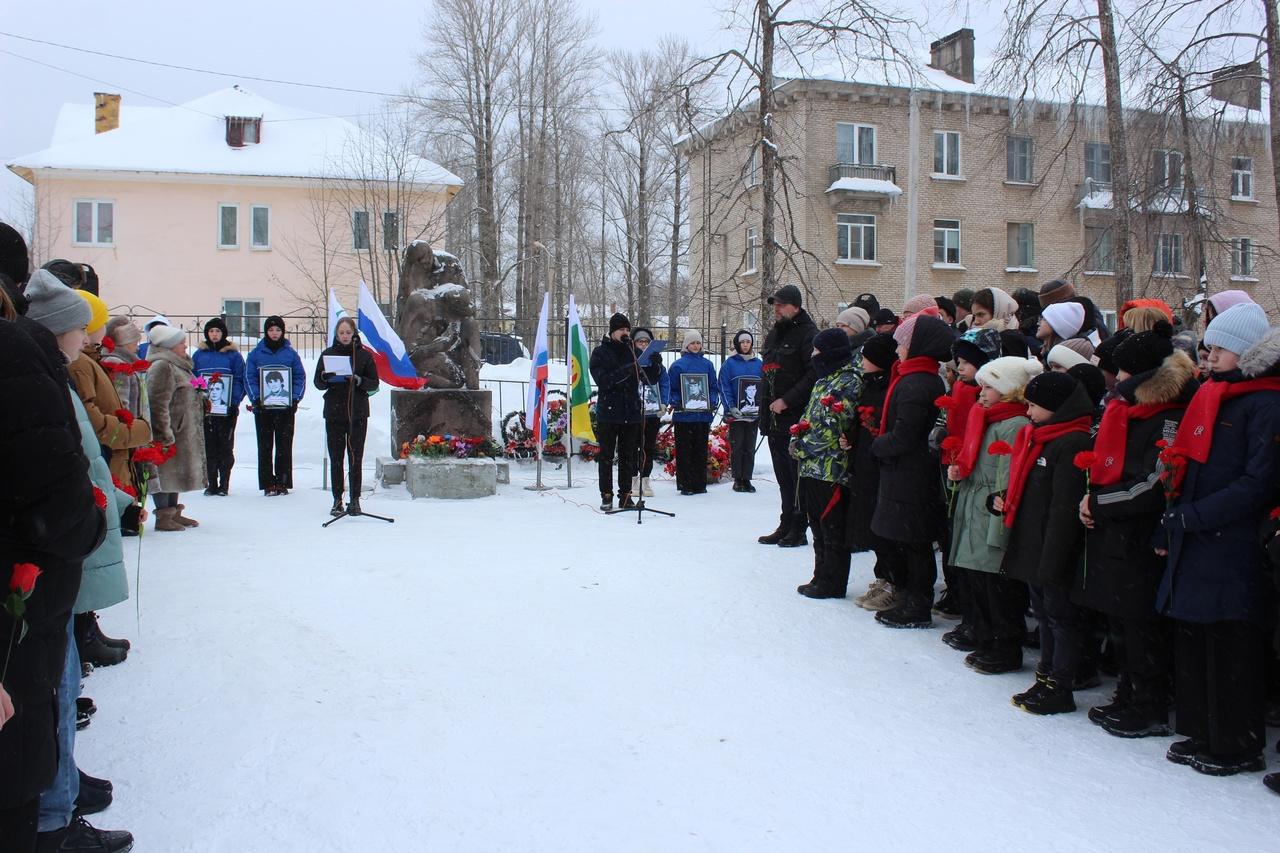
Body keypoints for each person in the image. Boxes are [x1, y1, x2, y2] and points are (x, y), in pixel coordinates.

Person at [1, 270, 122, 853]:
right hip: (36, 573)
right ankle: (53, 810)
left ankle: (59, 792)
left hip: (48, 570)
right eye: (83, 328)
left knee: (51, 693)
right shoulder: (28, 362)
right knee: (38, 705)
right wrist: (90, 519)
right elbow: (58, 461)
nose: (91, 337)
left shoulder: (44, 363)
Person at [1155, 302, 1280, 777]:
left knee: (1230, 642)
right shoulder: (1213, 396)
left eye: (1219, 350)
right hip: (1197, 534)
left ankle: (1236, 742)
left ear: (1247, 353)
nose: (1206, 358)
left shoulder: (1265, 403)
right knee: (1196, 635)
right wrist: (1173, 516)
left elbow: (1258, 481)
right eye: (1206, 349)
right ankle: (1203, 728)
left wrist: (1196, 516)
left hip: (1233, 541)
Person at [1076, 323, 1197, 738]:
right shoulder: (1125, 409)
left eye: (1125, 374)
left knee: (1141, 622)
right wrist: (1092, 498)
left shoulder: (1168, 414)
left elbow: (1157, 480)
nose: (1118, 380)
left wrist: (1101, 503)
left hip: (1143, 531)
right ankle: (1128, 690)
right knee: (1120, 619)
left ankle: (1148, 703)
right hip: (1115, 527)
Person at [997, 372, 1094, 714]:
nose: (1028, 412)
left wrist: (1053, 557)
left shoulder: (1072, 442)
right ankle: (1046, 676)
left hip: (1053, 548)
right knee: (1044, 613)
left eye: (1035, 406)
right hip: (1035, 542)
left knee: (1060, 617)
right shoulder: (1041, 436)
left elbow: (1063, 507)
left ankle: (1060, 683)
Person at [64, 290, 149, 668]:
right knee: (92, 549)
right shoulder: (82, 364)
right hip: (103, 457)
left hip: (108, 460)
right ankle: (82, 631)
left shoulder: (90, 360)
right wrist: (135, 433)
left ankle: (87, 626)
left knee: (99, 545)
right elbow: (94, 420)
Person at [949, 356, 1039, 674]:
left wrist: (998, 523)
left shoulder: (1014, 425)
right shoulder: (988, 418)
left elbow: (1006, 478)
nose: (981, 392)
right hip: (975, 507)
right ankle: (985, 637)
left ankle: (1005, 645)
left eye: (989, 386)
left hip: (990, 514)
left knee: (997, 588)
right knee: (978, 581)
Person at [870, 314, 952, 627]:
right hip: (904, 473)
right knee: (905, 540)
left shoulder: (919, 383)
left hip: (911, 475)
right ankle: (910, 596)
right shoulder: (914, 378)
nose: (897, 350)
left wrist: (878, 446)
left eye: (902, 343)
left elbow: (906, 434)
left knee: (914, 541)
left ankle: (917, 604)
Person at [935, 328, 1003, 634]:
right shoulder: (961, 388)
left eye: (966, 362)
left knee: (965, 538)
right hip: (953, 465)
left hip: (973, 472)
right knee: (953, 533)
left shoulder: (983, 397)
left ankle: (970, 606)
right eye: (958, 361)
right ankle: (959, 594)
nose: (959, 367)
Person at [792, 329, 861, 598]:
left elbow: (836, 424)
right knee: (818, 526)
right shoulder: (824, 380)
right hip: (811, 466)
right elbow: (812, 417)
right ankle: (820, 574)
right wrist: (798, 437)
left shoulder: (847, 382)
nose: (812, 356)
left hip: (832, 468)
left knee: (832, 527)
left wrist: (806, 446)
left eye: (817, 351)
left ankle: (833, 581)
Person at [845, 334, 902, 611]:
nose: (861, 361)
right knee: (872, 523)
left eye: (866, 357)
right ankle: (883, 577)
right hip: (865, 462)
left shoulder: (890, 388)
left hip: (882, 465)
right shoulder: (868, 385)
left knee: (885, 526)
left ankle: (894, 581)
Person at [758, 284, 818, 546]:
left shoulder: (808, 334)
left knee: (796, 476)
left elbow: (813, 375)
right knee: (783, 475)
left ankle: (798, 526)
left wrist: (787, 399)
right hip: (773, 416)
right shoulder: (774, 334)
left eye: (781, 304)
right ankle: (786, 522)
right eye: (775, 304)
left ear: (796, 306)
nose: (777, 308)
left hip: (795, 416)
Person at [315, 317, 380, 516]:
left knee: (355, 457)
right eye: (341, 333)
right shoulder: (328, 354)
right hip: (334, 412)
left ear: (354, 334)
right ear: (336, 335)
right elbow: (318, 383)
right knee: (336, 457)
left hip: (357, 412)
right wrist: (325, 377)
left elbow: (374, 383)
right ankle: (337, 499)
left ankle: (355, 500)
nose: (344, 336)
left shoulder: (364, 356)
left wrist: (359, 380)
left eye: (348, 333)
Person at [146, 324, 208, 530]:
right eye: (181, 342)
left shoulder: (179, 365)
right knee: (166, 472)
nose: (185, 345)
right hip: (170, 431)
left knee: (176, 471)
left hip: (181, 431)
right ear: (169, 345)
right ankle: (163, 516)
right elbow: (157, 403)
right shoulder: (162, 366)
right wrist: (163, 435)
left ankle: (174, 512)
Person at [245, 316, 306, 496]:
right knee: (264, 446)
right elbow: (249, 377)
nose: (274, 333)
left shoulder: (290, 354)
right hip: (263, 409)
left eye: (278, 330)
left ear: (282, 332)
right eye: (271, 330)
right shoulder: (256, 354)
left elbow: (299, 377)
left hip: (285, 408)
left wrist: (294, 398)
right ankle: (267, 483)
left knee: (284, 445)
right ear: (266, 332)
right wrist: (256, 398)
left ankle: (283, 481)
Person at [589, 313, 642, 510]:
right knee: (607, 455)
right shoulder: (600, 353)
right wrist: (626, 370)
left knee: (628, 456)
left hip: (631, 411)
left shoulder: (634, 352)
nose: (626, 333)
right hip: (609, 411)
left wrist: (655, 365)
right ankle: (606, 494)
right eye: (622, 330)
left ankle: (626, 495)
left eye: (628, 330)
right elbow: (603, 380)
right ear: (612, 332)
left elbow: (648, 378)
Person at [192, 317, 247, 496]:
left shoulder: (233, 356)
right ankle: (211, 483)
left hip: (227, 410)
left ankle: (224, 483)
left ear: (223, 333)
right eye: (211, 331)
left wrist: (234, 401)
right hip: (206, 411)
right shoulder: (199, 355)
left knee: (225, 446)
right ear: (207, 334)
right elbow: (193, 379)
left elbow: (240, 379)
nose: (214, 335)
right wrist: (198, 398)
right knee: (209, 447)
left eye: (218, 331)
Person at [668, 330, 720, 496]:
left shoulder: (707, 365)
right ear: (686, 345)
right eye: (692, 343)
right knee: (684, 450)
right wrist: (677, 401)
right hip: (684, 416)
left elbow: (713, 386)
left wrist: (711, 401)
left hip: (702, 416)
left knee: (700, 450)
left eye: (698, 343)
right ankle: (685, 484)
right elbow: (671, 388)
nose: (696, 346)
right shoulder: (677, 365)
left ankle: (699, 483)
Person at [718, 330, 762, 492]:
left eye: (748, 342)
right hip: (736, 414)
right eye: (742, 342)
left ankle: (747, 478)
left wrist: (760, 408)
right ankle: (738, 479)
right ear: (737, 344)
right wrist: (731, 407)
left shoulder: (758, 364)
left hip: (753, 414)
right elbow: (724, 387)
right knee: (737, 447)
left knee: (749, 447)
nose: (745, 345)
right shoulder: (729, 364)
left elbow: (763, 388)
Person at [630, 327, 669, 498]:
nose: (643, 344)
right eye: (640, 341)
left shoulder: (657, 364)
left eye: (647, 342)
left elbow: (664, 383)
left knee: (648, 448)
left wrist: (663, 403)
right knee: (631, 448)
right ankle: (632, 480)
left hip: (652, 414)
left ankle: (645, 479)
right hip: (633, 413)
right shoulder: (629, 361)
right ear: (634, 343)